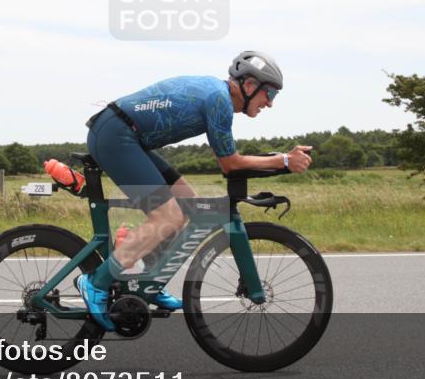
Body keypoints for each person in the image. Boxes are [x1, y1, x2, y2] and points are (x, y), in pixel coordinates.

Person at [79, 50, 312, 331]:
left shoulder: (219, 96)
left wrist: (280, 161)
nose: (270, 103)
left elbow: (230, 160)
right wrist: (283, 160)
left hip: (125, 135)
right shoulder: (219, 100)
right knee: (168, 216)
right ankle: (96, 282)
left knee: (188, 202)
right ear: (250, 85)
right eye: (270, 94)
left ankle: (149, 282)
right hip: (116, 135)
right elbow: (230, 164)